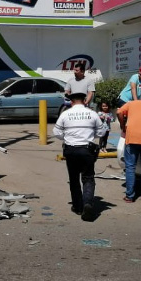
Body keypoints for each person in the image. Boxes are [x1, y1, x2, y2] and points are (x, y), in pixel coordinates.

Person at [53, 92, 107, 221]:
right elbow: (101, 131)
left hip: (70, 150)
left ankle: (77, 207)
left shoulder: (65, 114)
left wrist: (67, 138)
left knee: (74, 178)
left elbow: (56, 132)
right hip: (87, 150)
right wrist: (89, 135)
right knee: (88, 178)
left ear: (71, 102)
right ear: (84, 101)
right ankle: (87, 203)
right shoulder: (92, 114)